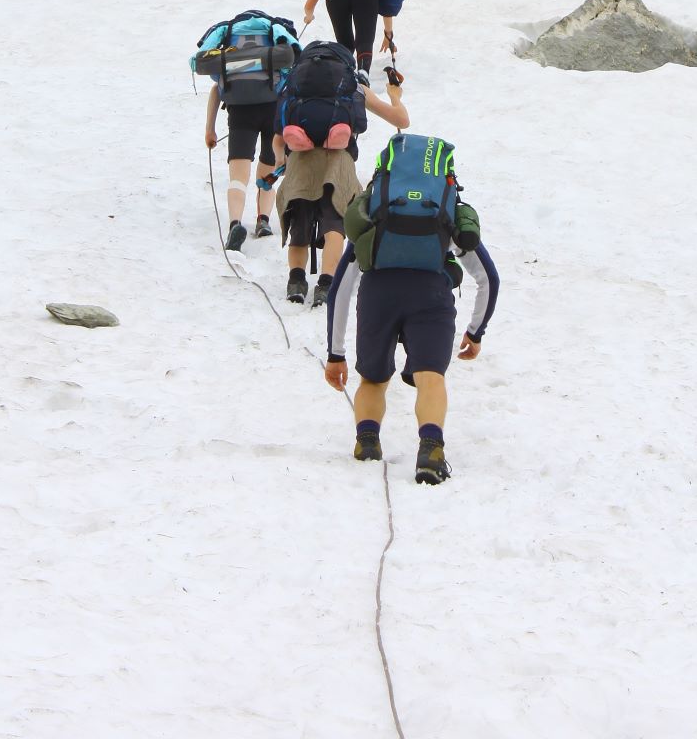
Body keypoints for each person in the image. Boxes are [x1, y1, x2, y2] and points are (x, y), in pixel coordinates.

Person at [324, 133, 500, 483]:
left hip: (379, 294)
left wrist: (335, 353)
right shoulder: (445, 211)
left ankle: (368, 441)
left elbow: (340, 287)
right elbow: (488, 279)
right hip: (431, 293)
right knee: (430, 378)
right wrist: (475, 331)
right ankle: (431, 449)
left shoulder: (376, 211)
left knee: (373, 379)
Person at [279, 72, 410, 305]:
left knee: (298, 227)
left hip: (300, 160)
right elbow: (401, 121)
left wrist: (281, 160)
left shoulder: (297, 84)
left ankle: (296, 282)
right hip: (339, 161)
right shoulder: (354, 85)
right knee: (334, 224)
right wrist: (394, 96)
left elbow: (278, 134)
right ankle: (326, 284)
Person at [204, 81, 285, 253]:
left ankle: (235, 224)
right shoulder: (278, 53)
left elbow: (215, 89)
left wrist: (209, 129)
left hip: (241, 110)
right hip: (273, 111)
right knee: (267, 174)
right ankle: (263, 221)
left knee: (238, 178)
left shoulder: (231, 54)